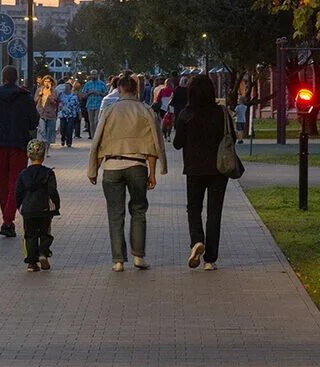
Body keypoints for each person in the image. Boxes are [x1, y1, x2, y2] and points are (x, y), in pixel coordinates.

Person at [87, 72, 167, 271]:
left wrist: (94, 169)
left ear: (119, 89)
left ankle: (118, 261)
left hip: (112, 167)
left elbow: (98, 141)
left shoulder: (109, 110)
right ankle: (138, 256)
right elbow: (153, 144)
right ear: (135, 89)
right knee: (139, 210)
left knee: (115, 214)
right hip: (137, 165)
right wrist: (153, 173)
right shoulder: (145, 110)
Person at [173, 74, 230, 271]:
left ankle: (197, 240)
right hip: (219, 169)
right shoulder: (221, 113)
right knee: (214, 213)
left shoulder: (186, 114)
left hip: (194, 169)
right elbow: (231, 136)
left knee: (194, 208)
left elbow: (177, 144)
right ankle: (210, 259)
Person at [0, 65, 39, 238]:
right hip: (19, 144)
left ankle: (7, 219)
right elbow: (33, 122)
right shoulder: (25, 97)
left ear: (3, 77)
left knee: (2, 182)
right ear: (16, 78)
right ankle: (7, 220)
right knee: (16, 182)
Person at [15, 138, 61, 271]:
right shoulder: (48, 173)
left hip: (28, 209)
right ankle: (43, 253)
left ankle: (31, 262)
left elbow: (18, 192)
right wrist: (56, 205)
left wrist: (20, 206)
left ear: (28, 155)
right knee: (45, 233)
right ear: (43, 156)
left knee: (29, 235)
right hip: (44, 209)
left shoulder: (23, 174)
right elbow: (52, 190)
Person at [82, 71, 108, 138]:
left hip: (99, 104)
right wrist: (89, 93)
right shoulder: (87, 84)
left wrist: (99, 93)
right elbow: (83, 95)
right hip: (90, 104)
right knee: (91, 122)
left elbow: (106, 94)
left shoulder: (102, 84)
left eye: (95, 74)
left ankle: (97, 136)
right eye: (92, 74)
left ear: (97, 75)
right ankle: (93, 136)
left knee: (96, 120)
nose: (93, 76)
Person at [56, 80, 81, 148]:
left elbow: (77, 105)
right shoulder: (61, 95)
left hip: (71, 114)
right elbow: (56, 100)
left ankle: (69, 142)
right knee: (62, 128)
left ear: (70, 87)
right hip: (63, 114)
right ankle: (63, 139)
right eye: (65, 86)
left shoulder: (74, 96)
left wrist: (79, 114)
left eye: (67, 86)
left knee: (69, 129)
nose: (66, 88)